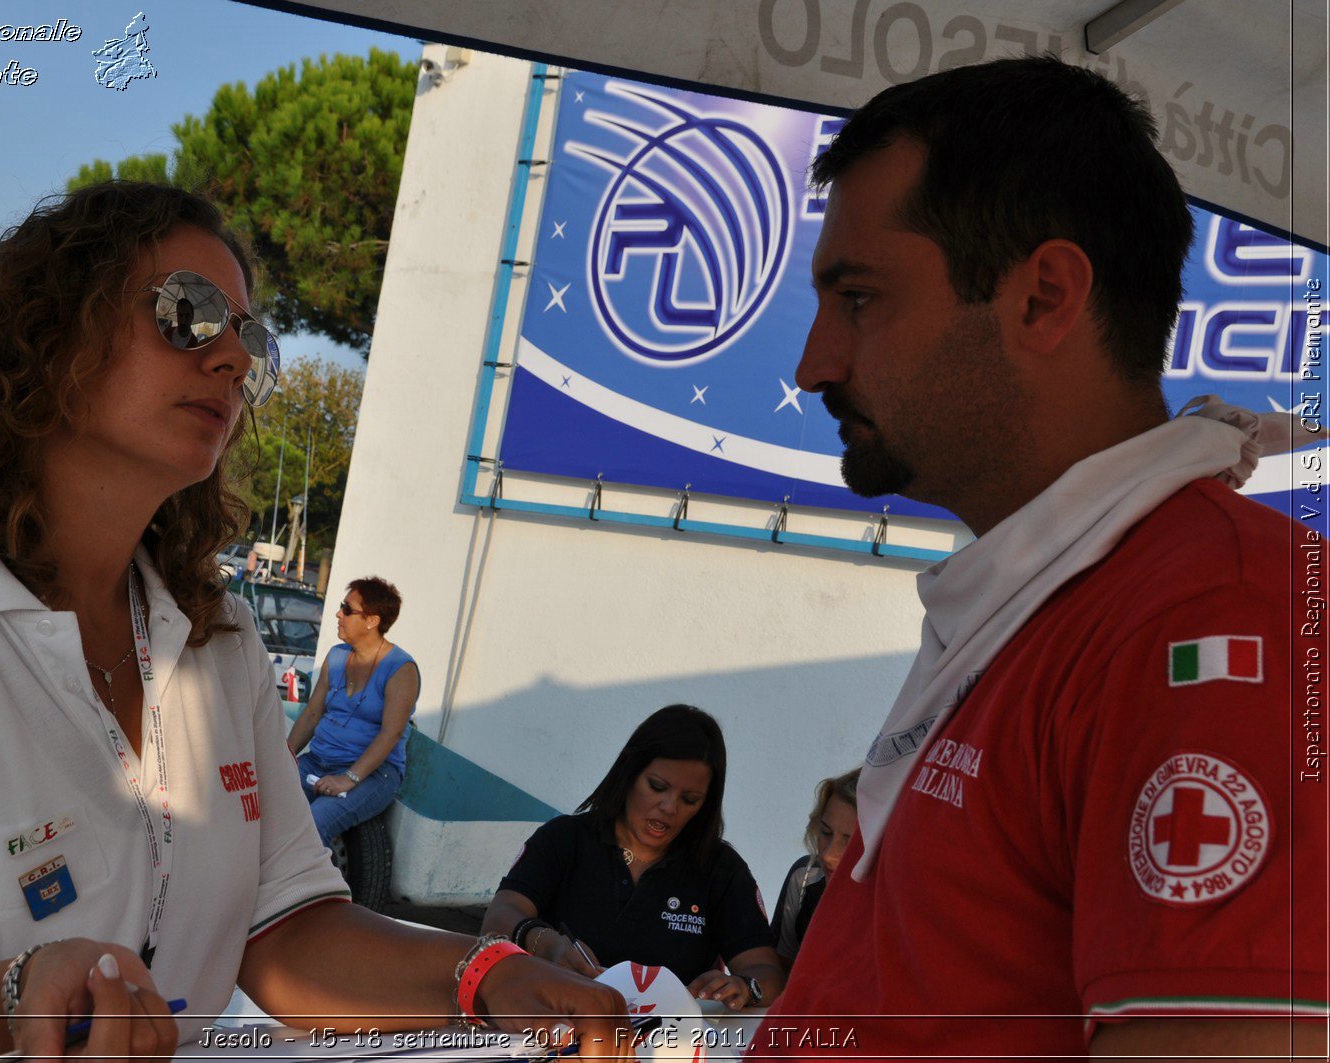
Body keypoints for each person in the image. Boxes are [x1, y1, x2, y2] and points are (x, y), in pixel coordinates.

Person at [0, 181, 632, 1062]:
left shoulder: (220, 640)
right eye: (189, 313)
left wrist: (484, 975)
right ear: (49, 340)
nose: (233, 360)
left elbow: (286, 929)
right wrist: (23, 992)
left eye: (251, 339)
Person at [746, 56, 1327, 1060]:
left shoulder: (1218, 606)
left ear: (1043, 297)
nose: (812, 364)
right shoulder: (1058, 596)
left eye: (858, 298)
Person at [482, 705, 784, 1011]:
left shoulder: (721, 869)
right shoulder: (565, 839)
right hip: (551, 1027)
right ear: (629, 773)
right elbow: (498, 918)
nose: (669, 807)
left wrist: (745, 987)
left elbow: (767, 973)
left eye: (689, 799)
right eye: (657, 787)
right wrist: (545, 942)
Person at [287, 576, 418, 847]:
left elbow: (391, 734)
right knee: (262, 804)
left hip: (372, 774)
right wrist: (283, 757)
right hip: (318, 761)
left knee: (313, 826)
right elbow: (312, 714)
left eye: (347, 609)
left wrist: (349, 778)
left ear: (372, 620)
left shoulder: (401, 669)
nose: (338, 614)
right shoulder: (336, 656)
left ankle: (307, 889)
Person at [767, 767, 857, 974]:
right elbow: (781, 977)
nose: (827, 855)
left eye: (851, 843)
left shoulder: (901, 903)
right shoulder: (804, 877)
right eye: (825, 832)